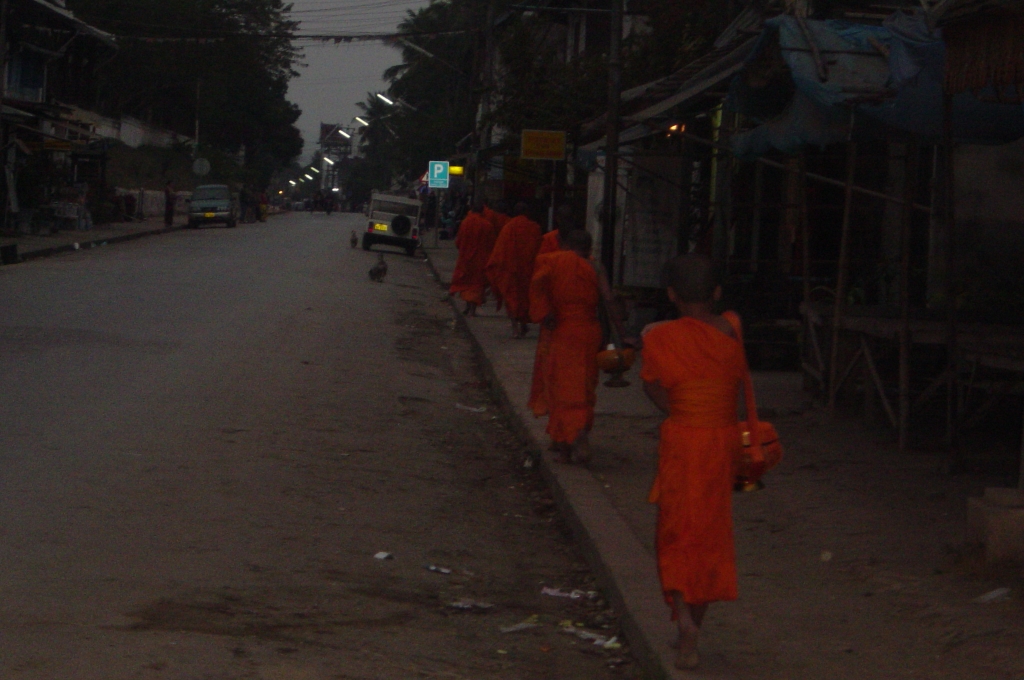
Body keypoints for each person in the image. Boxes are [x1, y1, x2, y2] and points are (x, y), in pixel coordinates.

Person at [639, 254, 746, 671]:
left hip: (683, 439)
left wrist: (681, 411)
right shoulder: (733, 329)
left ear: (670, 295)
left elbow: (652, 388)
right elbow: (733, 386)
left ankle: (685, 623)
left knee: (676, 532)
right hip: (721, 443)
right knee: (710, 534)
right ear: (717, 293)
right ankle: (692, 627)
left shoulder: (660, 339)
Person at [528, 230, 603, 462]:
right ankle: (568, 437)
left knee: (560, 385)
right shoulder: (596, 267)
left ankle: (573, 439)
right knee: (584, 384)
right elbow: (608, 299)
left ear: (566, 245)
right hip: (589, 332)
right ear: (589, 248)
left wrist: (544, 313)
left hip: (562, 330)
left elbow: (537, 284)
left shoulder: (553, 261)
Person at [485, 202, 543, 338]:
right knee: (525, 299)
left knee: (512, 300)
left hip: (511, 271)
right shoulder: (535, 228)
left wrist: (495, 268)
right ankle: (523, 325)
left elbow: (500, 251)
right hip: (529, 271)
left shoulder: (508, 228)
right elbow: (539, 250)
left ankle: (515, 329)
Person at [449, 198, 497, 317]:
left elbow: (458, 242)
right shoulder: (487, 225)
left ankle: (467, 306)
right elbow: (491, 245)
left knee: (466, 283)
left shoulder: (465, 223)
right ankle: (472, 309)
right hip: (480, 260)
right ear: (482, 211)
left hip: (466, 259)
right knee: (476, 285)